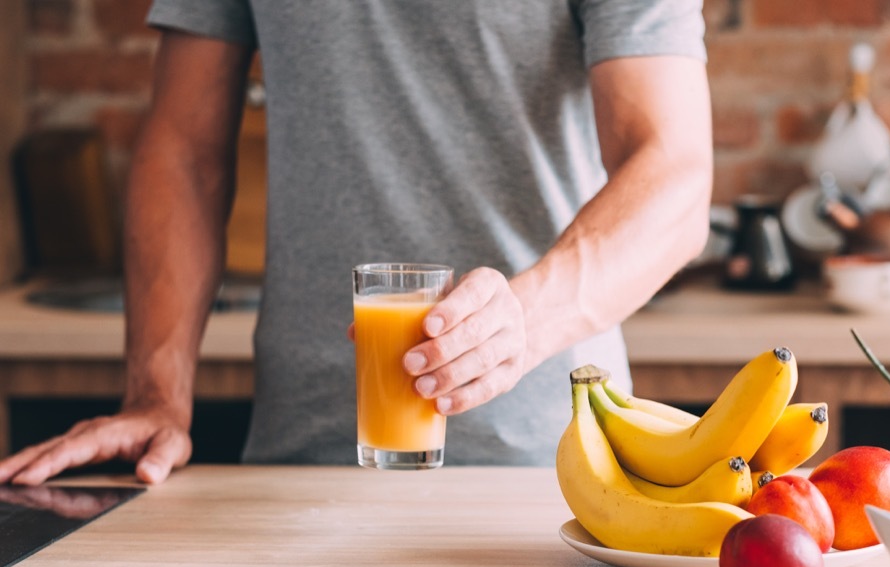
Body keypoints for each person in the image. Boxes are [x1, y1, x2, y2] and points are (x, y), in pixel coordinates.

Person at [0, 1, 713, 485]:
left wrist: (521, 323)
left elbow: (674, 175)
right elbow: (183, 151)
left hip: (554, 476)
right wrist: (155, 395)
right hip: (295, 467)